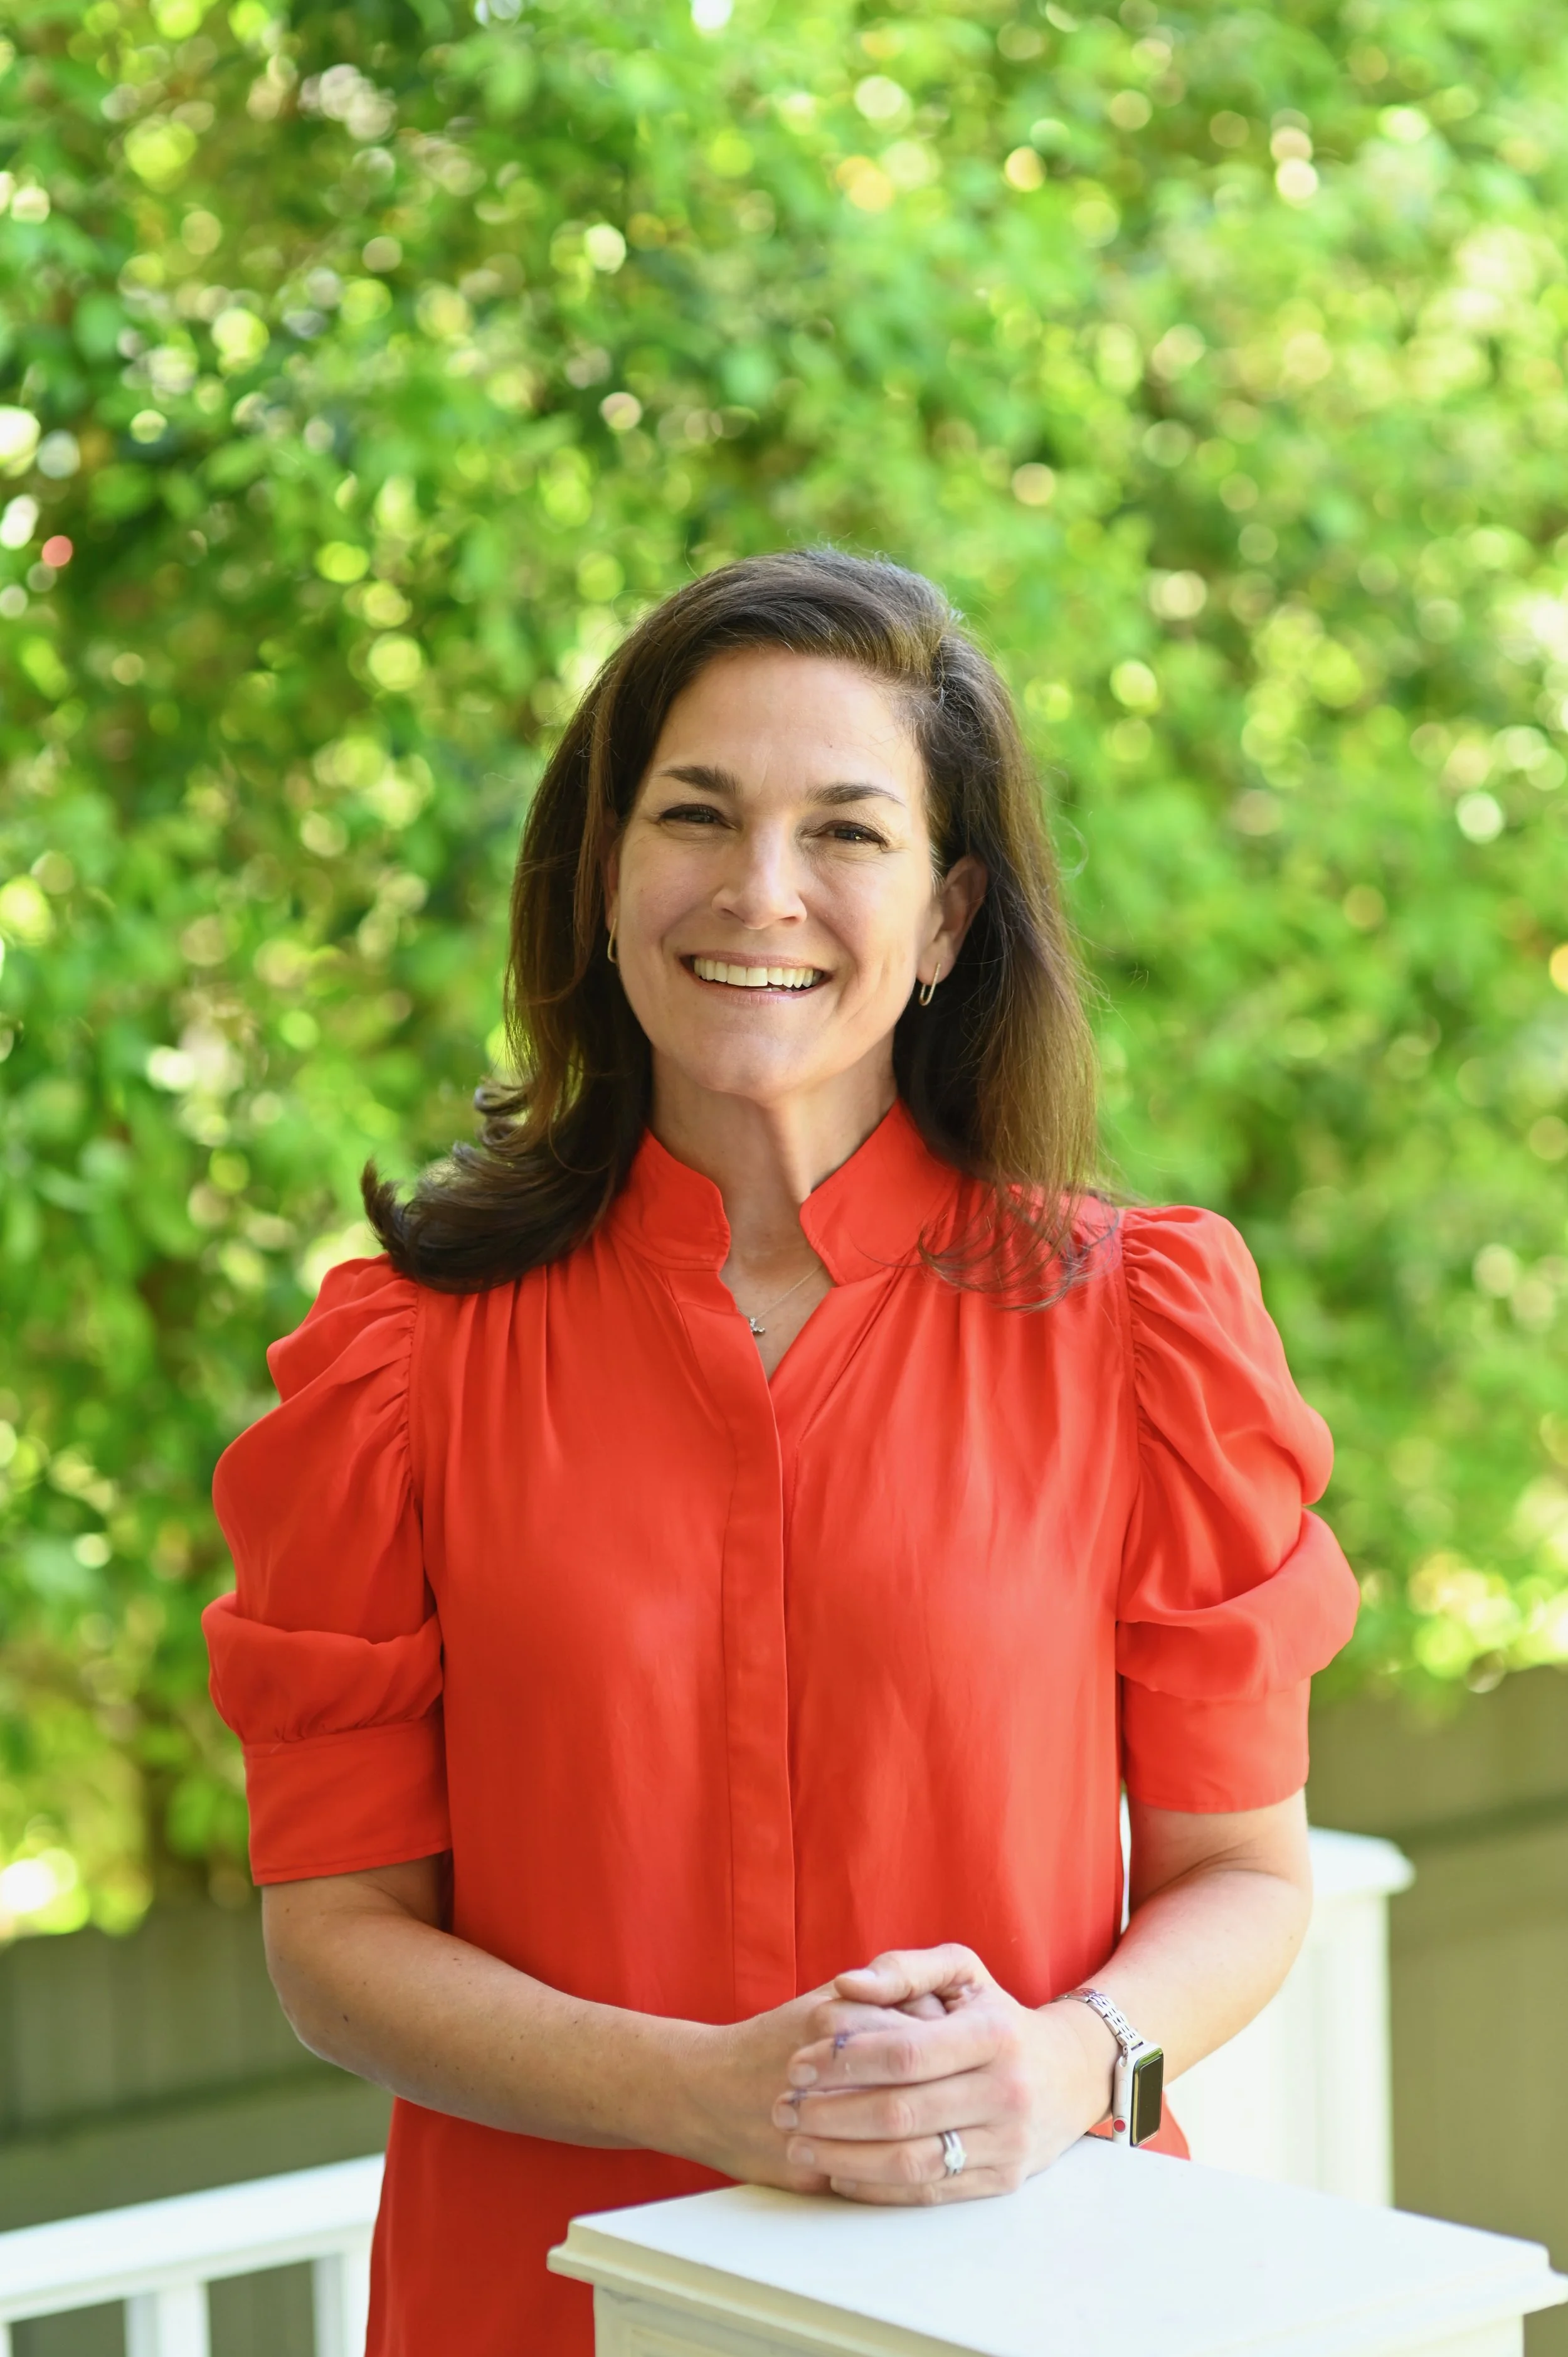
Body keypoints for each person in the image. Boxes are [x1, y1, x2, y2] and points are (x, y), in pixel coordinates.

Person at [204, 550, 1359, 2356]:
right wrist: (699, 2092)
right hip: (540, 2299)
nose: (760, 890)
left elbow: (1243, 1873)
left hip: (1029, 2284)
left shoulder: (1142, 1329)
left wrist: (1072, 2055)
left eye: (846, 830)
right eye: (695, 813)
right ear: (601, 880)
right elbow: (335, 1939)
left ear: (951, 915)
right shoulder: (398, 1368)